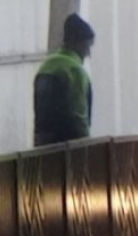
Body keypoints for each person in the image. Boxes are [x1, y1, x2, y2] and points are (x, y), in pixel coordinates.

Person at [33, 13, 95, 146]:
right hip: (68, 150)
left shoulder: (45, 66)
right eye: (87, 46)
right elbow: (79, 118)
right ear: (76, 42)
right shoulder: (75, 71)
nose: (87, 53)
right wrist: (89, 149)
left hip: (43, 148)